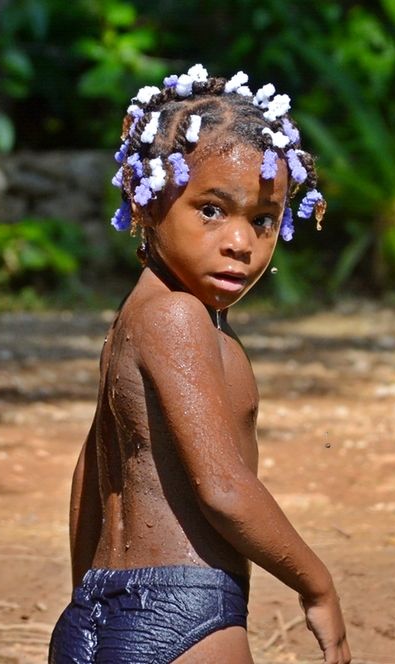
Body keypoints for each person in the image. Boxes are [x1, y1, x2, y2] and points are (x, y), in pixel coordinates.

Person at [49, 65, 350, 664]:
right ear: (148, 201)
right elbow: (223, 488)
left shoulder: (135, 320)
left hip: (96, 613)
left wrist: (94, 603)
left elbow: (90, 476)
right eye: (212, 210)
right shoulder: (179, 318)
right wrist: (317, 584)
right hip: (184, 607)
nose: (240, 241)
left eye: (262, 220)